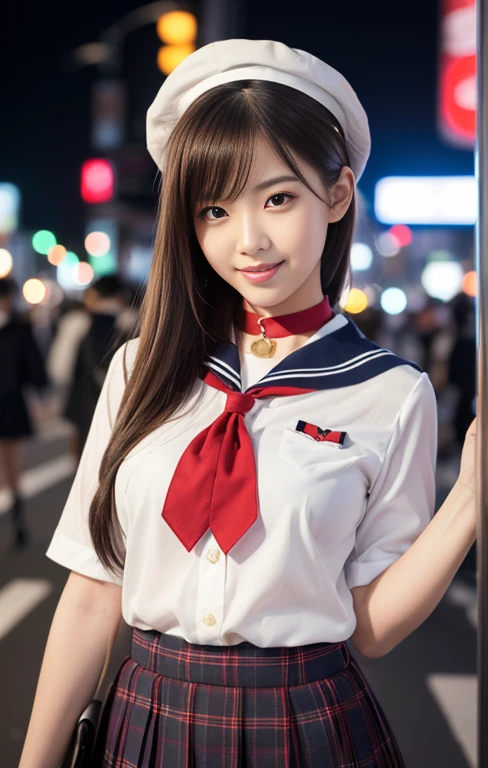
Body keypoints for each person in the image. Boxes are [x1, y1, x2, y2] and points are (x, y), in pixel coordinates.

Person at [19, 40, 477, 768]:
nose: (249, 240)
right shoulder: (141, 369)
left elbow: (371, 626)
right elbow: (90, 594)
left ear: (336, 195)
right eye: (215, 210)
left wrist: (472, 496)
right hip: (146, 720)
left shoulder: (390, 392)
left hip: (309, 727)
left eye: (278, 197)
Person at [0, 276, 47, 549]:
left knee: (10, 466)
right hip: (11, 403)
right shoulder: (20, 328)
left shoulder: (19, 328)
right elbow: (35, 369)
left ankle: (17, 519)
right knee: (11, 465)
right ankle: (17, 520)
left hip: (10, 404)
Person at [61, 275, 129, 460]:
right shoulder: (129, 322)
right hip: (116, 403)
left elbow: (60, 367)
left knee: (87, 459)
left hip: (86, 400)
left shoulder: (82, 322)